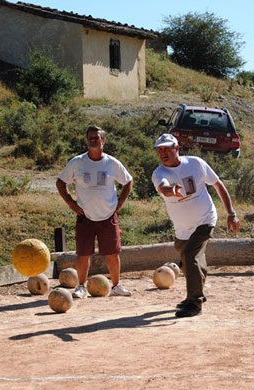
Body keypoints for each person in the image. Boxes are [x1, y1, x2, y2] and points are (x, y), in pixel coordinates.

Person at [151, 134, 240, 317]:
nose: (163, 153)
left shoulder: (195, 163)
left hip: (205, 219)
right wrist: (172, 190)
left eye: (167, 148)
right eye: (160, 150)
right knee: (187, 263)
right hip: (182, 228)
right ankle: (196, 292)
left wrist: (231, 213)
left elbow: (217, 184)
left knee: (192, 256)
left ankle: (195, 303)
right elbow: (163, 188)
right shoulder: (159, 173)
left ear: (177, 148)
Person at [56, 126, 134, 299]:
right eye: (90, 138)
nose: (93, 140)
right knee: (83, 254)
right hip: (85, 216)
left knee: (112, 253)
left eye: (97, 138)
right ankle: (81, 287)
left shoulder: (112, 163)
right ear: (86, 141)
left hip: (108, 215)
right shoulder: (77, 162)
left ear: (103, 141)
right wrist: (70, 202)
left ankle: (116, 285)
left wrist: (120, 202)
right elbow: (61, 182)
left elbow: (128, 181)